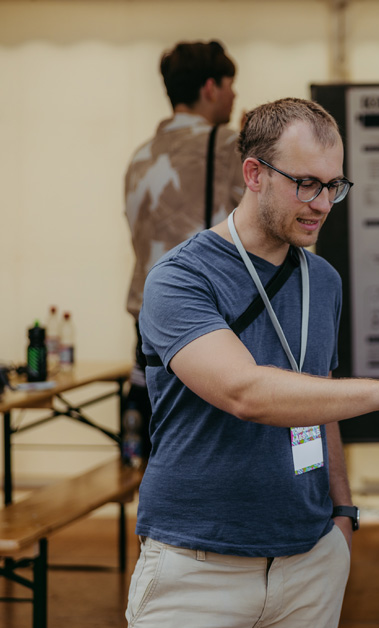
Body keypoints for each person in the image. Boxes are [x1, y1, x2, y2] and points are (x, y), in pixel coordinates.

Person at [125, 97, 379, 628]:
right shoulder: (179, 278)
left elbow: (319, 400)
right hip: (197, 565)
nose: (323, 203)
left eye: (334, 185)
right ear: (254, 174)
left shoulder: (323, 280)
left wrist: (342, 516)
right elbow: (245, 392)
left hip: (307, 562)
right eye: (306, 184)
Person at [122, 40, 245, 464]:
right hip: (207, 320)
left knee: (159, 443)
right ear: (210, 87)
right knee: (210, 448)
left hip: (147, 316)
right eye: (230, 84)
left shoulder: (139, 156)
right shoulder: (228, 146)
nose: (234, 94)